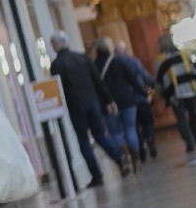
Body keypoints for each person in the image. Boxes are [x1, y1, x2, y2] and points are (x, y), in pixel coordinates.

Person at [50, 32, 126, 182]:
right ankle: (120, 158)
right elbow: (98, 80)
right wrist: (109, 100)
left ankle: (97, 176)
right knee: (100, 135)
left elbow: (60, 89)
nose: (52, 47)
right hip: (93, 103)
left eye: (52, 44)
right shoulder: (82, 58)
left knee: (84, 141)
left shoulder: (57, 65)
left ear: (57, 44)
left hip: (76, 107)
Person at [155, 34, 196, 165]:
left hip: (175, 94)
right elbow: (195, 70)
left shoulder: (160, 60)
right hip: (191, 90)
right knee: (194, 115)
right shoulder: (184, 55)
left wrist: (159, 95)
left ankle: (190, 144)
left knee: (181, 119)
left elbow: (158, 80)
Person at [93, 39, 143, 172]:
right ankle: (136, 160)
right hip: (127, 101)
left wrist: (105, 103)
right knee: (130, 130)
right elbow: (133, 80)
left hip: (108, 105)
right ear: (110, 48)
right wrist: (146, 93)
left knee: (114, 133)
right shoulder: (120, 61)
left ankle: (125, 157)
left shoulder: (94, 65)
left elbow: (96, 88)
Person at [116, 40, 158, 160]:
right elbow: (146, 77)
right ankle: (150, 138)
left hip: (127, 102)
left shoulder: (113, 66)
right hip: (141, 99)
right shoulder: (133, 61)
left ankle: (141, 152)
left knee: (132, 127)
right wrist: (150, 92)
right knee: (147, 122)